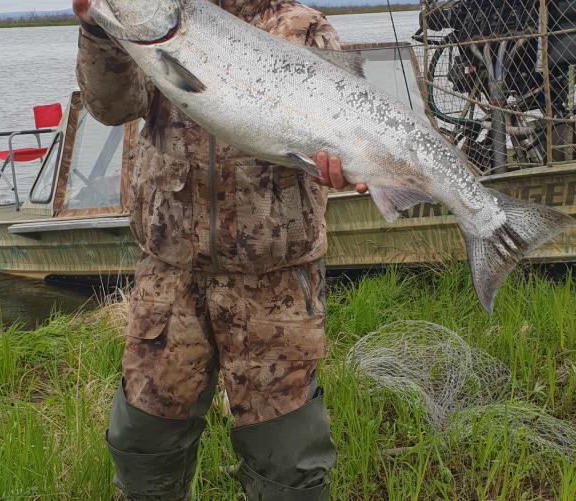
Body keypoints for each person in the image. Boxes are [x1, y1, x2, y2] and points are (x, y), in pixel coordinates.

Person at [73, 0, 366, 498]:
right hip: (170, 279)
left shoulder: (303, 27)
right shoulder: (162, 20)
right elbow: (112, 106)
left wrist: (344, 161)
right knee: (145, 445)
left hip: (274, 284)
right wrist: (98, 27)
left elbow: (339, 127)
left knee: (287, 463)